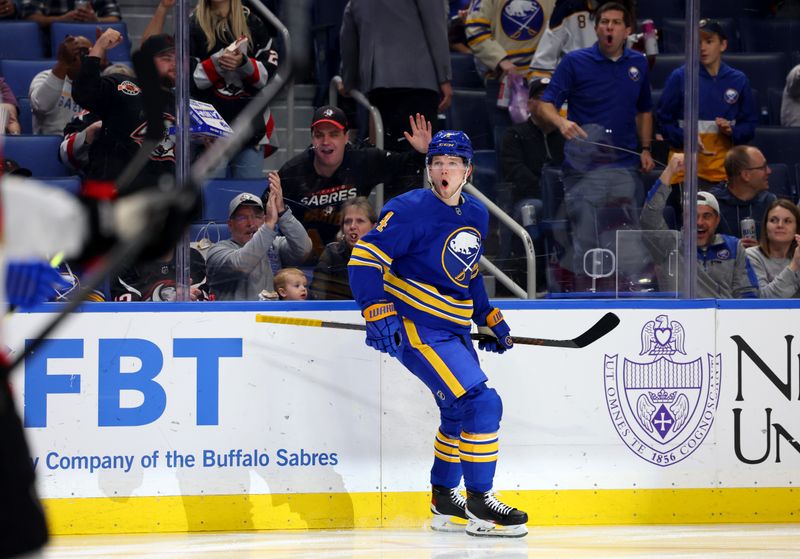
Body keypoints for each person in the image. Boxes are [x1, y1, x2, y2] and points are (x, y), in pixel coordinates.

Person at [348, 130, 529, 538]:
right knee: (483, 403)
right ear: (428, 168)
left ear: (468, 170)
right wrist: (377, 310)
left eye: (452, 163)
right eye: (437, 163)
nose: (444, 170)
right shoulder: (409, 209)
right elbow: (364, 259)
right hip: (417, 327)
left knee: (458, 412)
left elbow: (467, 272)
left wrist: (488, 316)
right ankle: (481, 505)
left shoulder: (476, 214)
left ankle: (445, 500)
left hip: (454, 327)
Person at [537, 2, 654, 290]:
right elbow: (544, 104)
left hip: (624, 166)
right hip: (583, 169)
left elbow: (644, 110)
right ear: (596, 27)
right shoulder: (575, 62)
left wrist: (647, 148)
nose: (609, 27)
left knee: (624, 238)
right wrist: (561, 122)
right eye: (603, 22)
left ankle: (626, 293)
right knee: (586, 237)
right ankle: (583, 293)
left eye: (615, 22)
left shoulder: (638, 64)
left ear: (627, 30)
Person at [273, 106, 431, 262]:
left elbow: (404, 164)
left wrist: (421, 153)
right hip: (302, 262)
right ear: (312, 139)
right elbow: (265, 211)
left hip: (351, 257)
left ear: (346, 137)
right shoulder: (293, 171)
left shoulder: (362, 160)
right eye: (319, 135)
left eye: (334, 134)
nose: (325, 141)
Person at [656, 18, 758, 189]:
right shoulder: (680, 77)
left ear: (723, 45)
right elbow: (663, 122)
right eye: (697, 42)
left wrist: (731, 131)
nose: (702, 48)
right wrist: (686, 138)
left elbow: (749, 126)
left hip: (726, 171)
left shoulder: (739, 80)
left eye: (709, 41)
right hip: (687, 173)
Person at [640, 153, 759, 298]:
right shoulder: (669, 244)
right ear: (684, 219)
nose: (699, 222)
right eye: (693, 217)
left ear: (717, 220)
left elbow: (748, 293)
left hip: (721, 318)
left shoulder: (733, 247)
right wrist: (670, 170)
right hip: (679, 319)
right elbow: (649, 216)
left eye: (707, 216)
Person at [339, 0, 452, 151]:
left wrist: (348, 81)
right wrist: (444, 78)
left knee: (387, 159)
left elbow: (348, 37)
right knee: (417, 161)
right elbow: (436, 26)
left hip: (378, 85)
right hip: (418, 83)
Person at [72, 30, 175, 194]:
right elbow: (84, 92)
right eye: (167, 58)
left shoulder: (183, 105)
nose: (174, 64)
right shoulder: (123, 85)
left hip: (158, 199)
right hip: (114, 193)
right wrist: (99, 47)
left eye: (178, 59)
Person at [189, 0, 279, 178]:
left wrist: (244, 63)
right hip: (209, 135)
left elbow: (268, 75)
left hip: (249, 132)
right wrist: (218, 63)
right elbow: (186, 78)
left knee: (248, 201)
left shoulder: (254, 23)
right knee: (211, 201)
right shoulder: (192, 24)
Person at [206, 176, 312, 300]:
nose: (251, 223)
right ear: (230, 225)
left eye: (257, 216)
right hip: (237, 318)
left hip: (273, 317)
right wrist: (268, 225)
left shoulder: (275, 245)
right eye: (242, 218)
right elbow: (241, 264)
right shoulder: (217, 252)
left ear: (264, 218)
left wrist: (282, 212)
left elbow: (304, 249)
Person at [500, 76, 565, 201]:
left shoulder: (565, 134)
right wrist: (545, 190)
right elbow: (516, 172)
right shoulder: (515, 135)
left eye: (551, 99)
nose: (546, 104)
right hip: (530, 197)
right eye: (541, 98)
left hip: (563, 197)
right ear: (529, 104)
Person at [309, 196, 376, 300]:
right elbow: (317, 295)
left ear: (374, 227)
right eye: (347, 221)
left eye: (360, 221)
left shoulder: (385, 255)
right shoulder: (332, 253)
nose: (352, 226)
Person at [708, 145, 776, 245]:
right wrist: (732, 248)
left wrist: (760, 250)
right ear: (745, 175)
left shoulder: (770, 202)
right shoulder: (712, 204)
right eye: (763, 167)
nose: (769, 171)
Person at [29, 35, 95, 135]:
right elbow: (41, 106)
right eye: (81, 52)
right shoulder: (44, 77)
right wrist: (64, 63)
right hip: (50, 145)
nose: (88, 58)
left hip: (85, 145)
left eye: (91, 53)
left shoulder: (97, 85)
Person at [112, 246, 209, 301]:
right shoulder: (126, 263)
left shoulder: (193, 258)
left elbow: (207, 309)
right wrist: (170, 305)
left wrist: (193, 298)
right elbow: (126, 316)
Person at [745, 199, 800, 298]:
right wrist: (795, 264)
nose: (780, 225)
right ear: (765, 226)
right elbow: (763, 299)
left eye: (787, 221)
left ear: (797, 228)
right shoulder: (751, 256)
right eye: (773, 220)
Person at [20, 0, 121, 28]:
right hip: (53, 42)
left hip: (93, 40)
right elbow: (29, 17)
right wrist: (61, 20)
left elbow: (115, 19)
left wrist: (95, 20)